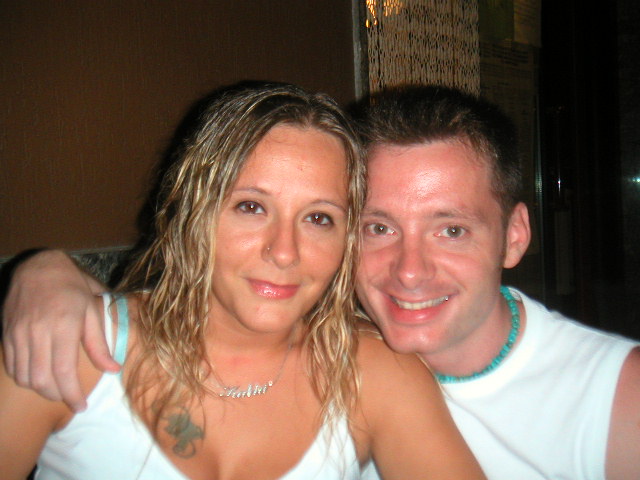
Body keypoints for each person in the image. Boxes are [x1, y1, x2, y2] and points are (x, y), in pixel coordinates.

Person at [4, 85, 639, 479]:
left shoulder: (379, 376)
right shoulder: (63, 346)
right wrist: (43, 269)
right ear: (192, 209)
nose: (284, 251)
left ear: (516, 235)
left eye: (318, 218)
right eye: (250, 205)